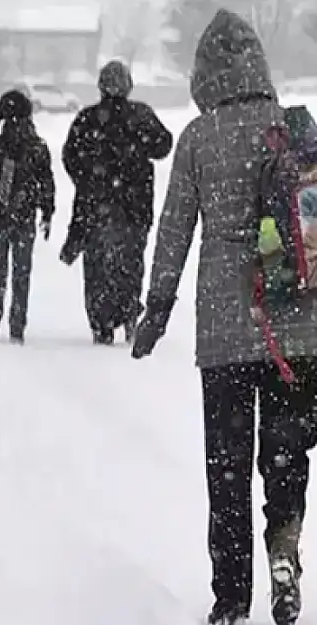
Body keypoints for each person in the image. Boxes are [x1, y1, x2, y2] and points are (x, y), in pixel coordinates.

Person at [131, 10, 317, 625]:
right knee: (285, 453)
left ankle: (231, 599)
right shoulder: (292, 129)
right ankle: (285, 551)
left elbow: (175, 229)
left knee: (229, 467)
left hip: (226, 329)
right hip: (296, 325)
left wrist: (157, 307)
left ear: (205, 73)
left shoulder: (199, 137)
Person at [60, 59, 172, 345]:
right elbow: (163, 144)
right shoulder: (140, 116)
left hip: (95, 208)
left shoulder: (88, 119)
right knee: (130, 262)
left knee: (97, 266)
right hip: (134, 207)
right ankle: (129, 311)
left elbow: (69, 157)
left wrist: (88, 177)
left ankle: (101, 322)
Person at [0, 90, 55, 344]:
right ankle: (17, 323)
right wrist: (47, 212)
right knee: (21, 271)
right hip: (24, 217)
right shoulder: (37, 148)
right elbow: (46, 183)